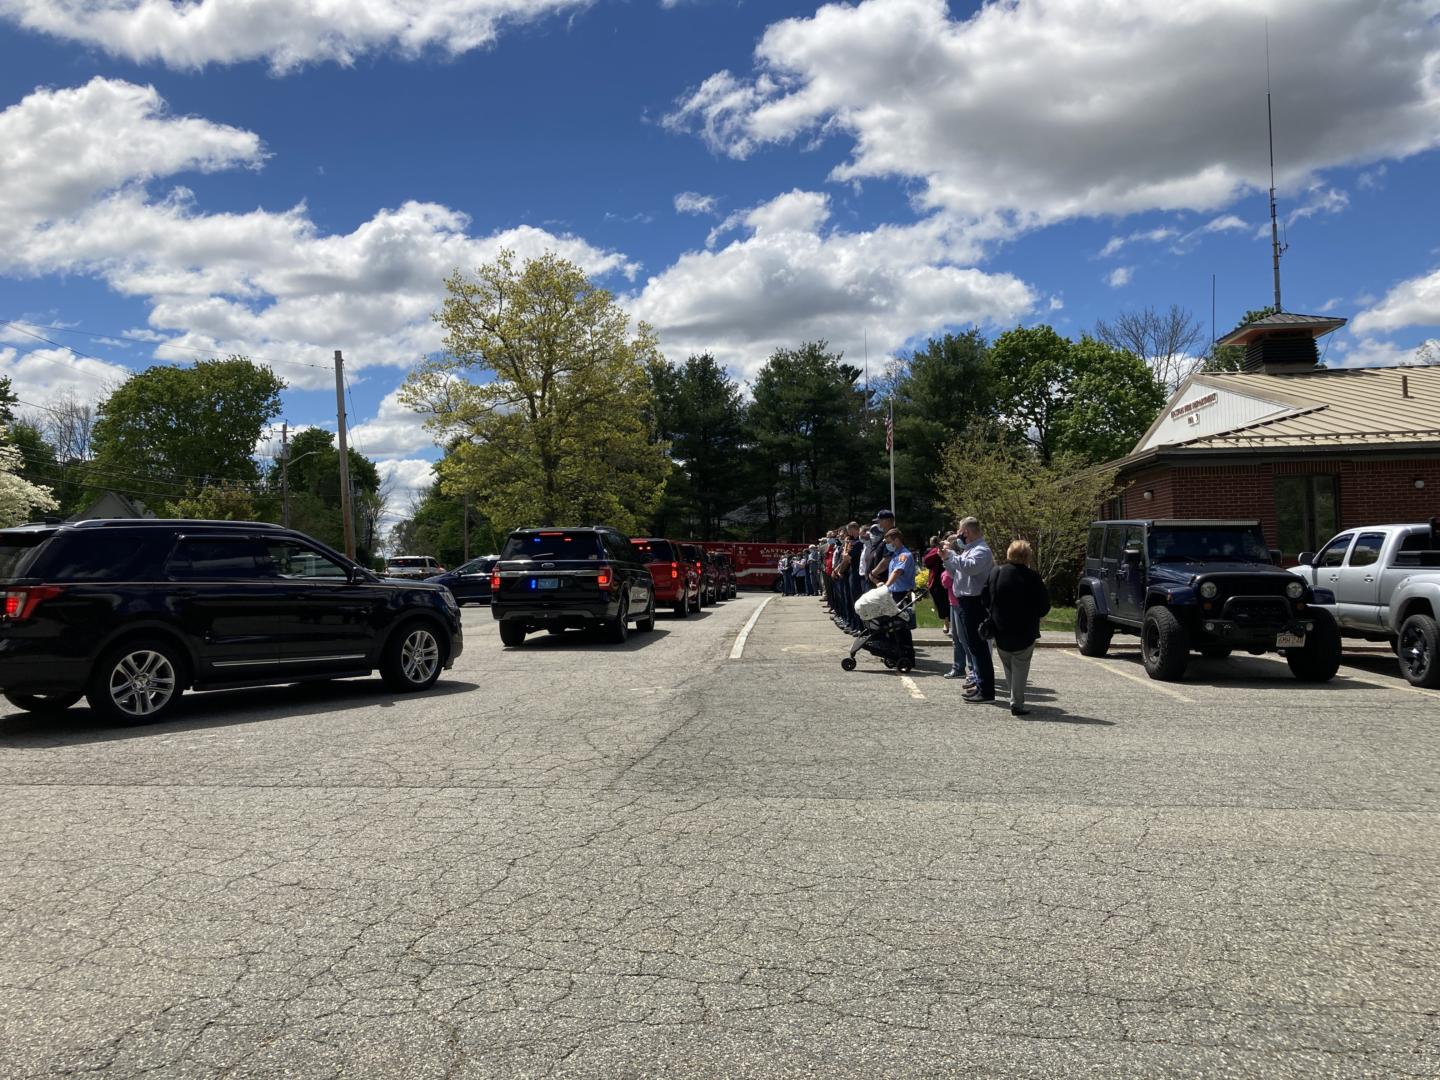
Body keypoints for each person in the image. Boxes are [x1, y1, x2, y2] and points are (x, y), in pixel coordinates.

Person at [982, 540, 1051, 716]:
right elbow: (1044, 606)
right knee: (1020, 666)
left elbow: (985, 599)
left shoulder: (996, 572)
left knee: (1008, 666)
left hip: (1000, 629)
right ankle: (1017, 703)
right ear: (1027, 557)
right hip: (1024, 631)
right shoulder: (1033, 577)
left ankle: (1014, 698)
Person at [944, 516, 996, 703]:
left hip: (975, 603)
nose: (958, 535)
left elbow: (970, 568)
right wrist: (947, 559)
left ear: (966, 532)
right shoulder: (969, 550)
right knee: (973, 646)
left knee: (979, 647)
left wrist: (951, 555)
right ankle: (980, 685)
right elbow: (955, 573)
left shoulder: (981, 550)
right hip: (965, 602)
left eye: (959, 531)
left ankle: (987, 691)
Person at [879, 527, 917, 655]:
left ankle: (907, 654)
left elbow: (897, 572)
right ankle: (897, 652)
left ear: (897, 540)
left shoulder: (904, 555)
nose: (888, 545)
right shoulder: (895, 554)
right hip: (894, 593)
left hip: (902, 594)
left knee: (902, 626)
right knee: (895, 626)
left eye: (889, 542)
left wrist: (886, 586)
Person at [922, 535, 950, 631]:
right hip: (938, 579)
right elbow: (927, 561)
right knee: (942, 603)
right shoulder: (934, 551)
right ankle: (946, 621)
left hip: (948, 577)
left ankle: (948, 622)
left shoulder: (948, 549)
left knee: (947, 602)